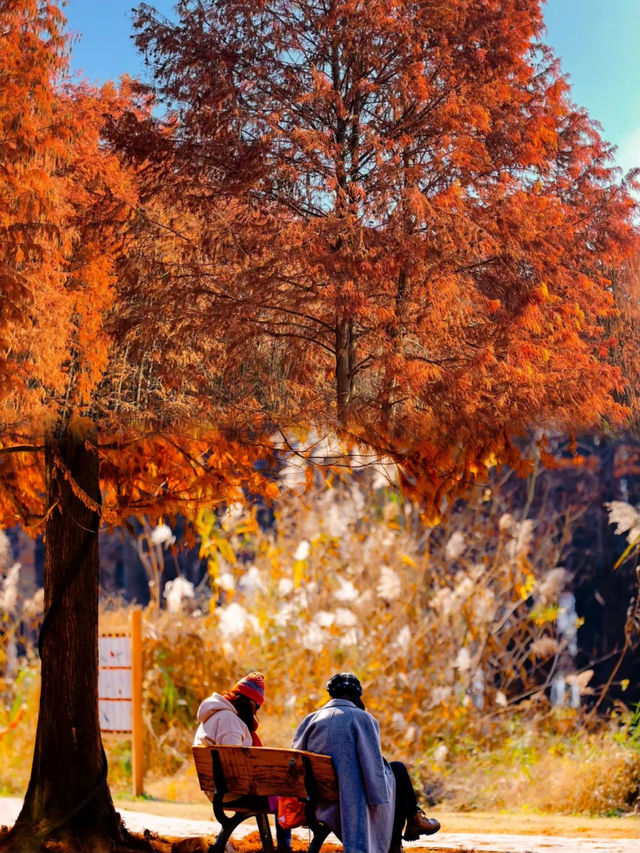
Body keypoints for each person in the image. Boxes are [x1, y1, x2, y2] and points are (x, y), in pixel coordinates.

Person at [292, 672, 440, 853]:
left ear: (331, 694)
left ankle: (412, 821)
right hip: (350, 801)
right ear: (357, 695)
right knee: (397, 771)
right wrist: (379, 796)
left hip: (317, 802)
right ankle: (406, 828)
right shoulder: (363, 718)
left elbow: (295, 761)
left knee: (394, 774)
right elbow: (374, 769)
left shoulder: (310, 720)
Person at [193, 671, 292, 853]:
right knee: (286, 793)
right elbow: (234, 766)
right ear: (247, 702)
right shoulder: (229, 720)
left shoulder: (215, 716)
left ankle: (279, 846)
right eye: (256, 706)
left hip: (218, 788)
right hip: (232, 789)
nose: (255, 712)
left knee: (280, 791)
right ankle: (285, 848)